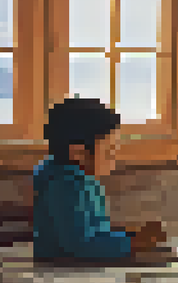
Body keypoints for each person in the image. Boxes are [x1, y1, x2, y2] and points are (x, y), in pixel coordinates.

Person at [32, 97, 165, 260]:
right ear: (78, 153)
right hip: (64, 267)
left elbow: (94, 230)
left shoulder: (81, 179)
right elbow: (82, 245)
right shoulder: (66, 186)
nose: (115, 157)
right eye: (109, 151)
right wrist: (134, 243)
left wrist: (130, 235)